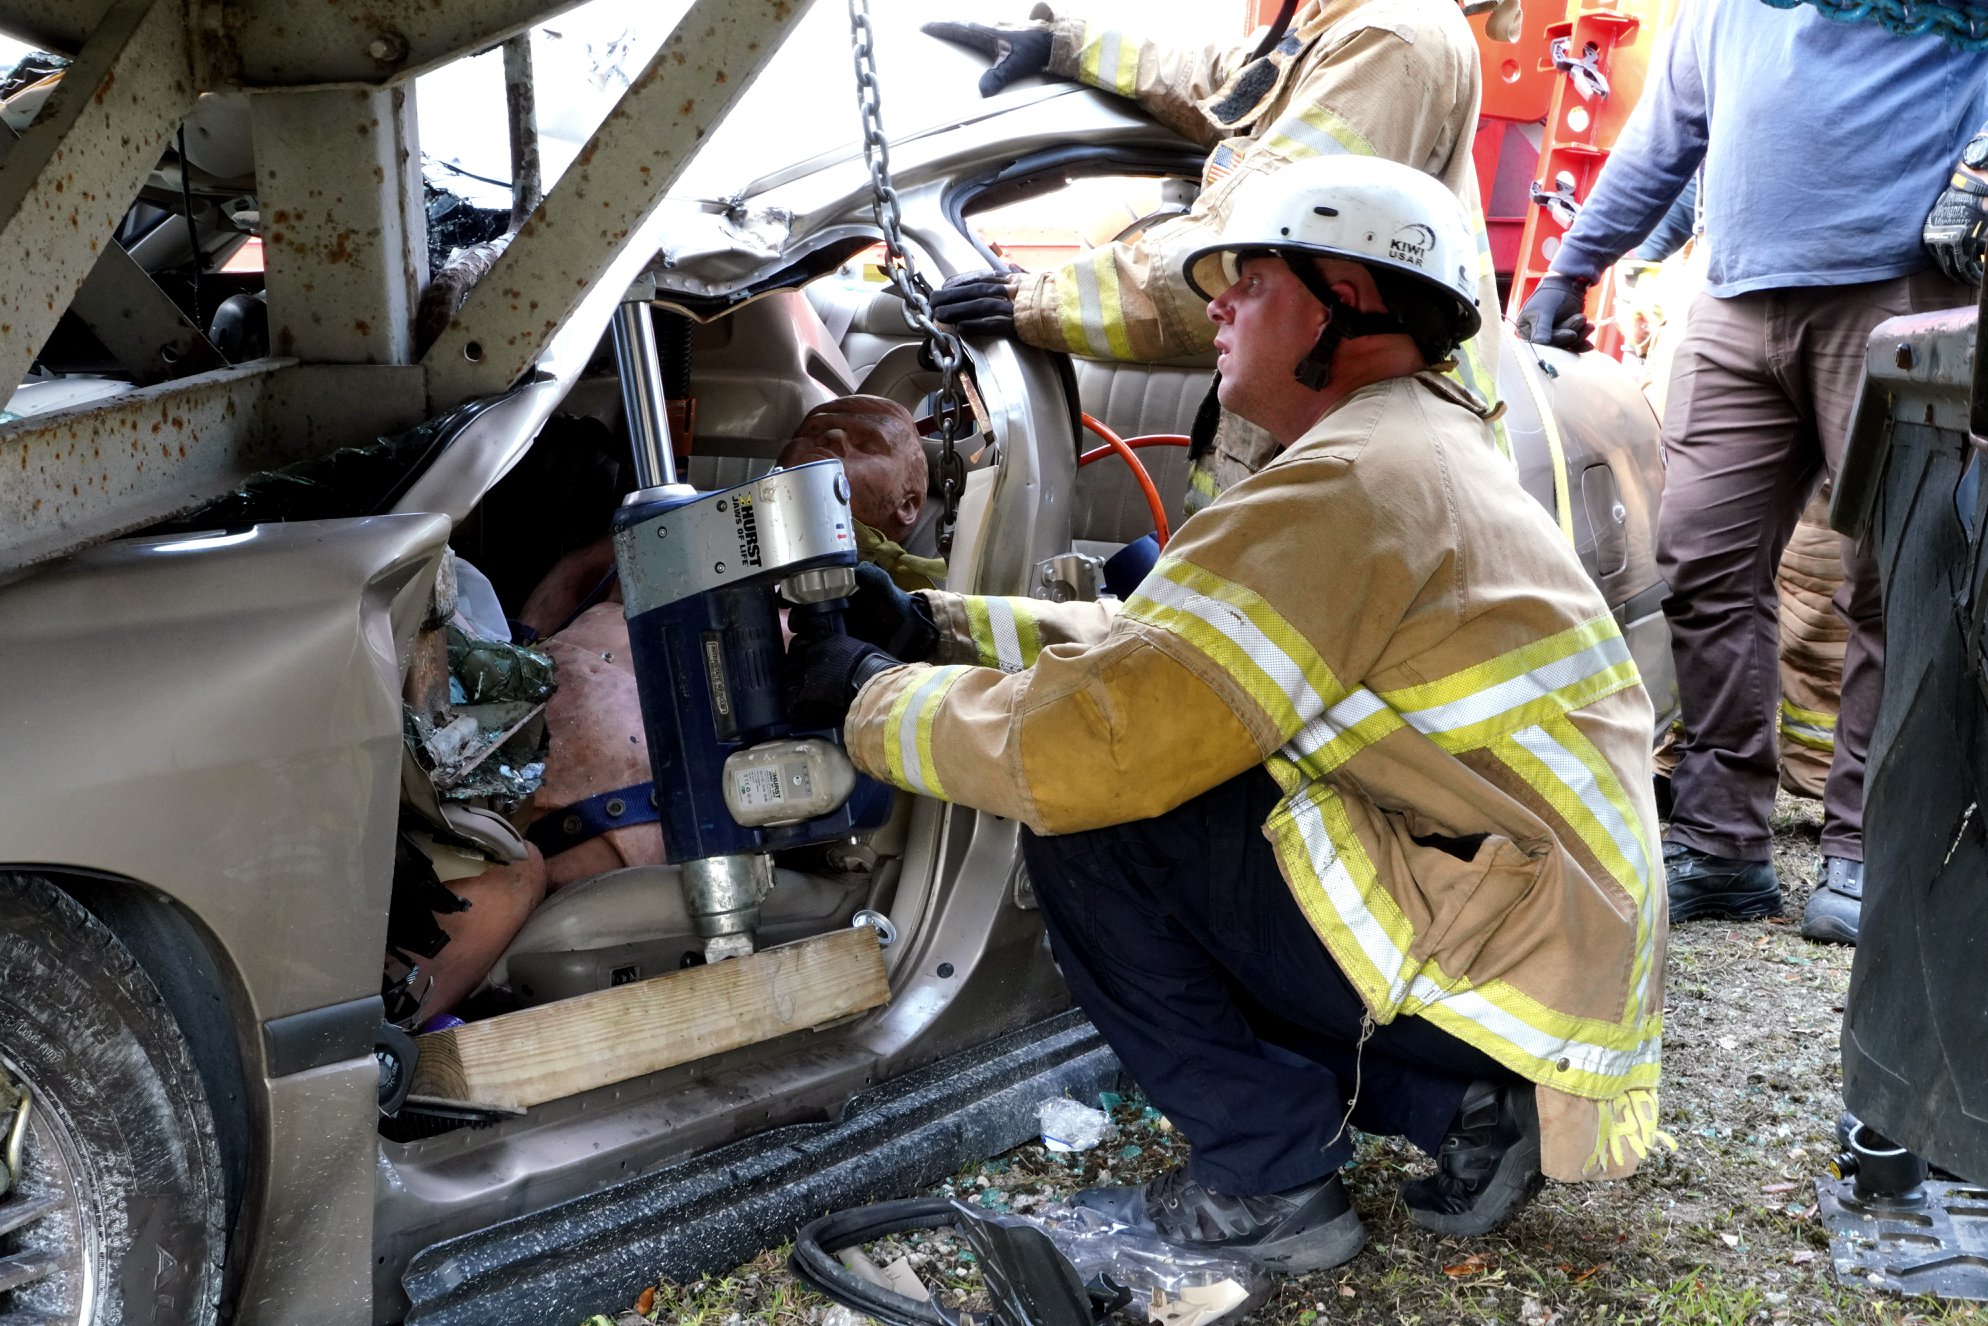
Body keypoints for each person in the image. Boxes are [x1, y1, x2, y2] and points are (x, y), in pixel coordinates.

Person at [791, 156, 1666, 1270]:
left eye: (1248, 281)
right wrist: (932, 625)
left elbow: (1094, 743)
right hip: (1543, 946)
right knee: (1203, 798)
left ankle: (1265, 1181)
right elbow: (1166, 645)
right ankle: (1463, 1106)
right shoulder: (1404, 448)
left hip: (1512, 948)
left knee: (1105, 823)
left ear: (1344, 299)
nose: (1214, 307)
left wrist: (864, 694)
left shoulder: (1351, 483)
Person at [1514, 2, 1988, 943]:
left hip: (1899, 291)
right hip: (1735, 301)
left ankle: (1868, 850)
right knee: (1702, 563)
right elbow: (1666, 134)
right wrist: (1573, 268)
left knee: (1895, 583)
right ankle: (1722, 844)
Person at [411, 396, 940, 1017]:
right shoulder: (695, 530)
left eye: (865, 444)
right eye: (818, 431)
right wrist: (522, 642)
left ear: (909, 506)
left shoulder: (894, 613)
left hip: (608, 817)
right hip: (479, 741)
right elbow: (582, 574)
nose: (833, 443)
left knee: (504, 878)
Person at [923, 0, 1517, 516]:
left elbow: (1236, 246)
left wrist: (1038, 301)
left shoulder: (1394, 38)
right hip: (1328, 433)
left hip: (1374, 451)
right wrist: (1066, 44)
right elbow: (1232, 88)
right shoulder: (1342, 21)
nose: (1223, 308)